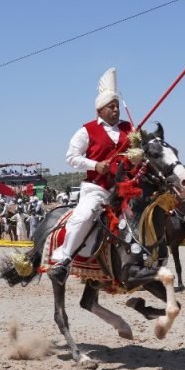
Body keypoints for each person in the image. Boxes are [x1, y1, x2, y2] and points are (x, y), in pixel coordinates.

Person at [48, 68, 133, 281]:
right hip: (97, 188)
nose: (115, 110)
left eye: (116, 106)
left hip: (126, 189)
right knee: (84, 216)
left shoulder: (130, 128)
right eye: (111, 107)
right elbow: (71, 157)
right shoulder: (86, 130)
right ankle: (63, 257)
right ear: (100, 110)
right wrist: (96, 165)